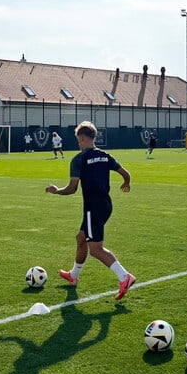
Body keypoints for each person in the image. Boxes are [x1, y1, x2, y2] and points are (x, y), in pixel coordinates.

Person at [46, 121, 135, 300]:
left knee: (95, 249)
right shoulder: (105, 155)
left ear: (83, 138)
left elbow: (72, 188)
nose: (79, 144)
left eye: (79, 141)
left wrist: (57, 191)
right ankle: (74, 275)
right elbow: (126, 174)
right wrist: (126, 183)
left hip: (92, 208)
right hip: (105, 205)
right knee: (81, 239)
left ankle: (125, 277)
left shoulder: (79, 160)